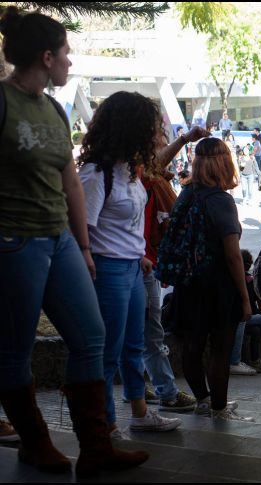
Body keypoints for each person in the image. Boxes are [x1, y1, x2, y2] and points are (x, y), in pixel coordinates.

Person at [0, 8, 149, 477]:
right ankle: (36, 441)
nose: (70, 62)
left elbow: (69, 184)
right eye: (65, 53)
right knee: (15, 351)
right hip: (14, 242)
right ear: (46, 57)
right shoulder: (3, 102)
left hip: (59, 239)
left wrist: (83, 247)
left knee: (91, 337)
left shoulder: (54, 109)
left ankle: (96, 447)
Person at [79, 92, 183, 436]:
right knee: (108, 350)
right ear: (132, 129)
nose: (158, 134)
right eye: (153, 128)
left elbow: (129, 222)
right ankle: (104, 424)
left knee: (134, 345)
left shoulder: (131, 172)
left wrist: (140, 255)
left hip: (133, 268)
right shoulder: (97, 175)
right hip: (107, 271)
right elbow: (82, 230)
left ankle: (140, 412)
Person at [170, 137, 253, 421]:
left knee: (192, 346)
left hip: (188, 282)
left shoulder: (186, 193)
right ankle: (219, 407)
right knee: (220, 348)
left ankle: (203, 400)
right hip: (218, 285)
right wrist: (244, 297)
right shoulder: (221, 200)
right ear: (224, 162)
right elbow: (233, 255)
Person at [141, 123, 209, 414]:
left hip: (142, 262)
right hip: (135, 263)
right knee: (147, 331)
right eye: (159, 136)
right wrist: (183, 139)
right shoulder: (136, 173)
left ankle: (145, 392)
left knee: (143, 331)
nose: (162, 141)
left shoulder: (144, 178)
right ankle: (163, 392)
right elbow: (154, 165)